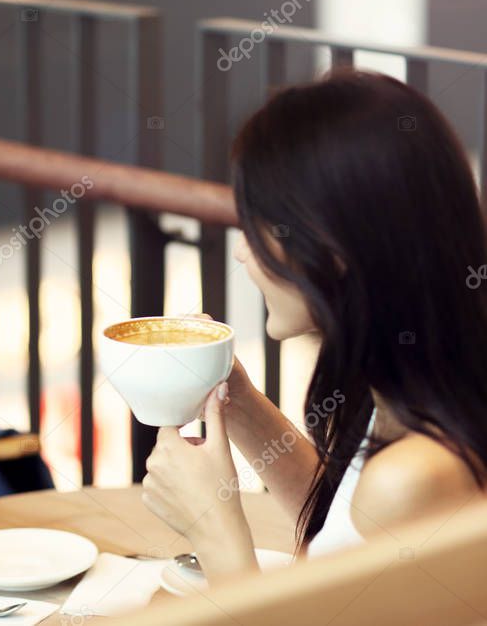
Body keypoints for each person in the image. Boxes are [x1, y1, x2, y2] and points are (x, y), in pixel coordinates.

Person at [141, 70, 487, 582]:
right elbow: (347, 533)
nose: (241, 252)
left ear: (331, 248)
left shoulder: (418, 475)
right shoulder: (413, 388)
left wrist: (213, 524)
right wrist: (236, 402)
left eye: (254, 227)